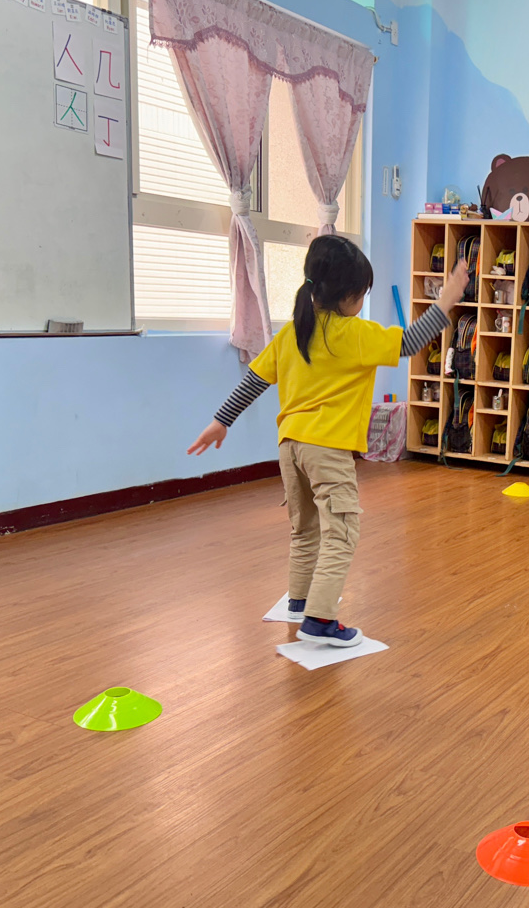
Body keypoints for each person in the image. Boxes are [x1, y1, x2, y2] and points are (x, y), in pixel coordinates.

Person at [188, 235, 469, 647]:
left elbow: (255, 381)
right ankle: (320, 620)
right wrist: (445, 302)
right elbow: (409, 342)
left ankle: (299, 601)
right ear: (348, 296)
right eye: (362, 294)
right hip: (327, 449)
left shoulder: (292, 333)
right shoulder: (354, 333)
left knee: (305, 529)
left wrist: (221, 421)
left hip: (289, 446)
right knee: (342, 530)